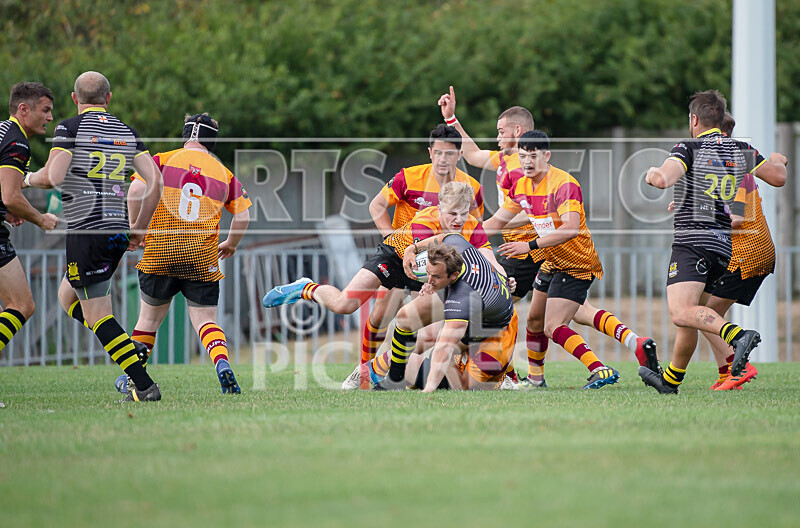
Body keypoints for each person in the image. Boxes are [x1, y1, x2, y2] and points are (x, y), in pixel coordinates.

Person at [439, 86, 656, 388]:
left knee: (493, 305)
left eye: (501, 131)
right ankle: (629, 343)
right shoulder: (509, 160)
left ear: (518, 132)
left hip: (529, 247)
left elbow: (539, 213)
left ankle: (505, 373)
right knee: (563, 313)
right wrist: (452, 121)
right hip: (538, 250)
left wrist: (477, 236)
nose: (497, 137)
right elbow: (474, 156)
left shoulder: (528, 169)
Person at [25, 71, 164, 402]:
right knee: (67, 297)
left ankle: (144, 386)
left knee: (99, 317)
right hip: (116, 228)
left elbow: (54, 177)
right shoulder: (126, 131)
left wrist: (26, 179)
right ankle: (129, 349)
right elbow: (155, 181)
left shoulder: (70, 128)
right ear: (109, 98)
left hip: (88, 231)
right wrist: (138, 227)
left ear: (75, 99)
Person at [639, 90, 776, 394]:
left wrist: (652, 174)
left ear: (694, 119)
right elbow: (777, 177)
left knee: (681, 312)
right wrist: (778, 158)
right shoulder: (740, 149)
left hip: (693, 241)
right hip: (722, 246)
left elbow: (664, 179)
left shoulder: (688, 147)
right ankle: (670, 381)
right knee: (692, 314)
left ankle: (737, 337)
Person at [112, 113, 252, 396]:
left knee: (148, 321)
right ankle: (222, 363)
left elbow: (137, 188)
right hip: (201, 256)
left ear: (186, 135)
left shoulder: (162, 159)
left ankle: (133, 378)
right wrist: (231, 244)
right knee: (206, 320)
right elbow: (244, 216)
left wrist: (135, 228)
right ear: (212, 141)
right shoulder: (223, 173)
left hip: (160, 251)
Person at [482, 130, 619, 389]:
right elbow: (496, 222)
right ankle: (536, 380)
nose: (527, 162)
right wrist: (458, 233)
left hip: (576, 260)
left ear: (547, 156)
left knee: (553, 326)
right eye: (522, 156)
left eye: (533, 156)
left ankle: (600, 368)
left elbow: (569, 228)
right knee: (534, 321)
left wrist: (528, 245)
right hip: (551, 261)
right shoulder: (520, 184)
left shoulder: (563, 183)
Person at [263, 181, 504, 314]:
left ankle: (387, 373)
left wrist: (503, 278)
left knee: (429, 321)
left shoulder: (472, 225)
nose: (459, 220)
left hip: (423, 270)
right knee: (345, 305)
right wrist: (428, 284)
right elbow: (414, 253)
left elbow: (487, 258)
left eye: (463, 213)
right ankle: (306, 287)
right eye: (452, 213)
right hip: (393, 257)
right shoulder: (425, 220)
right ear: (439, 208)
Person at [358, 124, 483, 372]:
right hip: (403, 255)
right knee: (380, 316)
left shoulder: (471, 188)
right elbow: (377, 207)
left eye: (449, 153)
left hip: (436, 265)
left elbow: (475, 228)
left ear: (460, 154)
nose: (442, 158)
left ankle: (393, 368)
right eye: (438, 152)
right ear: (429, 152)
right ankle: (363, 370)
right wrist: (392, 240)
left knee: (427, 330)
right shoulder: (409, 176)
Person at [697, 112, 787, 390]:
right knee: (702, 310)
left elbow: (735, 218)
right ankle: (727, 372)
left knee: (705, 315)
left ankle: (738, 369)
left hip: (747, 255)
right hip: (744, 253)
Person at [374, 236, 517, 391]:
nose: (429, 280)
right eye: (428, 273)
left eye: (436, 277)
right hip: (483, 308)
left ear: (453, 276)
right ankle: (395, 379)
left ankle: (508, 376)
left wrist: (429, 389)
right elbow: (443, 236)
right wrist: (413, 249)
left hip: (494, 328)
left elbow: (444, 348)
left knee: (463, 384)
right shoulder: (456, 242)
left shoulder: (463, 298)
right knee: (405, 318)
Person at [0, 82, 58, 359]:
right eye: (45, 110)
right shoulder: (16, 141)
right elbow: (11, 195)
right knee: (21, 305)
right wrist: (40, 219)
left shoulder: (2, 131)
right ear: (24, 109)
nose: (49, 117)